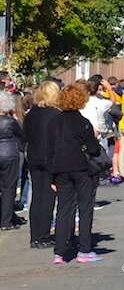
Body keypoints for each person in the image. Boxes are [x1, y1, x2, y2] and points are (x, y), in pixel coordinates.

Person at [46, 84, 104, 264]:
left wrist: (51, 176)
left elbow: (49, 150)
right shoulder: (83, 123)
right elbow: (93, 149)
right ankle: (84, 250)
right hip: (81, 168)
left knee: (63, 209)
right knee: (85, 208)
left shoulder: (54, 122)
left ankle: (59, 252)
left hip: (60, 169)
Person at [22, 82, 61, 246]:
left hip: (33, 157)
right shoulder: (56, 115)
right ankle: (44, 235)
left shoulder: (31, 114)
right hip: (49, 158)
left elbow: (25, 135)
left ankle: (35, 236)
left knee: (36, 197)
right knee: (48, 198)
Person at [0, 92, 25, 231]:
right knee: (9, 189)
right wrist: (16, 118)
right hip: (9, 154)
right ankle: (6, 221)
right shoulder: (11, 122)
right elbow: (23, 134)